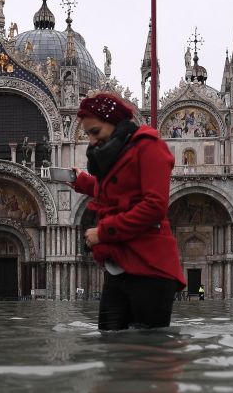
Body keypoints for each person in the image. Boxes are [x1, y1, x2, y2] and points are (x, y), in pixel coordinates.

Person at [69, 92, 185, 330]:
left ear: (114, 123)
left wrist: (103, 233)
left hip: (150, 267)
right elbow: (118, 191)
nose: (91, 141)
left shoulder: (149, 147)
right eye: (87, 134)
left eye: (96, 132)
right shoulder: (116, 153)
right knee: (110, 343)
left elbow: (154, 206)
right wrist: (82, 181)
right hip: (119, 265)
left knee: (148, 350)